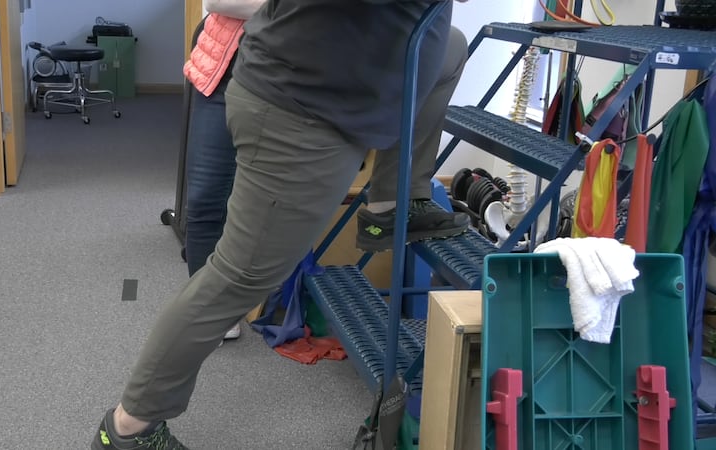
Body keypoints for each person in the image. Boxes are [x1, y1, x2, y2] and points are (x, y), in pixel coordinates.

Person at [91, 1, 471, 448]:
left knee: (448, 46)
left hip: (344, 78)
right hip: (302, 110)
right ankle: (128, 427)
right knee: (238, 278)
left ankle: (392, 201)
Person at [182, 0, 266, 342]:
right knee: (204, 199)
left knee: (263, 205)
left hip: (292, 84)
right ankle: (205, 312)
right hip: (223, 74)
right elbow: (218, 1)